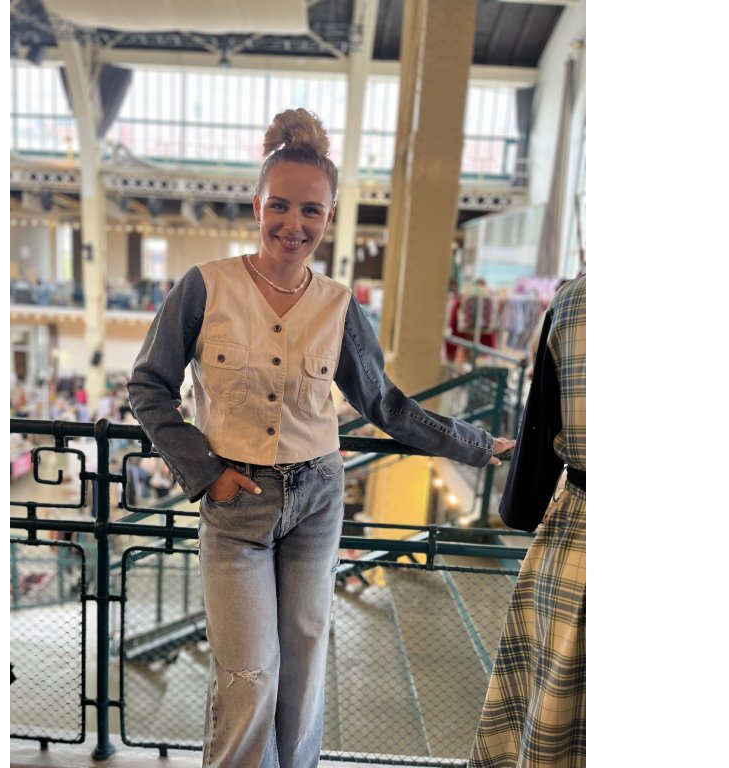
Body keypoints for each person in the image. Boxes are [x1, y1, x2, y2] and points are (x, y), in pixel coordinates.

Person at [128, 107, 515, 768]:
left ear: (329, 217)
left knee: (305, 670)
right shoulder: (204, 288)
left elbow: (385, 404)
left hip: (317, 501)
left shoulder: (339, 307)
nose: (293, 224)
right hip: (236, 507)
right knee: (249, 676)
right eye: (279, 205)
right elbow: (148, 386)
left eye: (311, 210)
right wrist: (206, 471)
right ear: (258, 205)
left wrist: (479, 446)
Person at [469, 274, 586, 767]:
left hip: (582, 535)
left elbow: (541, 422)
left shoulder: (576, 301)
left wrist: (520, 507)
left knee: (558, 708)